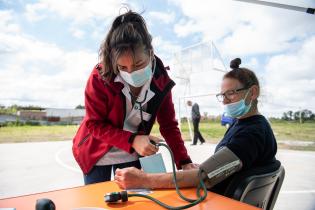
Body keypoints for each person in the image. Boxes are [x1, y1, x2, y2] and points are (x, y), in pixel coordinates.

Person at [114, 58, 278, 195]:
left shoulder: (251, 133)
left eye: (231, 93)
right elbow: (224, 166)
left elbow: (204, 177)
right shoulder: (244, 124)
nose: (226, 101)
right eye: (223, 95)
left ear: (253, 92)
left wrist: (144, 179)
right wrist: (201, 167)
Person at [72, 10, 196, 185]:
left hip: (131, 153)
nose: (131, 72)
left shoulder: (161, 81)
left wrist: (184, 161)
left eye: (139, 64)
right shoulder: (99, 77)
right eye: (122, 66)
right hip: (96, 151)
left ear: (151, 53)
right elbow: (94, 124)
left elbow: (168, 125)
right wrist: (133, 139)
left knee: (136, 199)